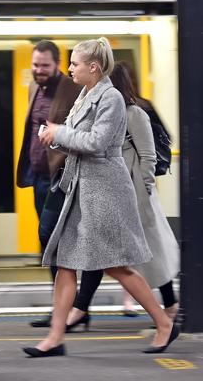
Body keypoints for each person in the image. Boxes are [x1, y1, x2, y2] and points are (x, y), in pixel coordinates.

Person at [22, 37, 179, 358]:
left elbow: (97, 142)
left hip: (105, 192)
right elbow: (76, 139)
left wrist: (59, 133)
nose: (70, 69)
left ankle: (164, 323)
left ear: (93, 67)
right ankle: (55, 337)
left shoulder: (111, 99)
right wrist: (54, 137)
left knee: (117, 266)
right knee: (65, 264)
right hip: (81, 189)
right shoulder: (86, 93)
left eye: (75, 64)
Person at [62, 62, 180, 331]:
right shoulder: (103, 111)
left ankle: (169, 307)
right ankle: (81, 308)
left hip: (135, 192)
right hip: (109, 189)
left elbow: (149, 155)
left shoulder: (135, 112)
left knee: (148, 251)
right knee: (100, 247)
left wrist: (145, 189)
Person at [16, 40, 81, 328]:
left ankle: (71, 309)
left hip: (61, 178)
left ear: (57, 64)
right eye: (35, 65)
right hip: (38, 177)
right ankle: (63, 309)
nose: (39, 70)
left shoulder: (74, 91)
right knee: (48, 244)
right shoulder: (34, 88)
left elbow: (83, 133)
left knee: (56, 243)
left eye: (44, 65)